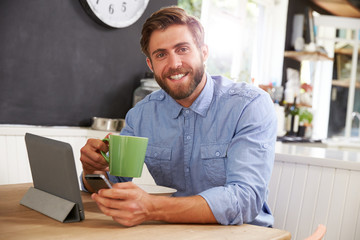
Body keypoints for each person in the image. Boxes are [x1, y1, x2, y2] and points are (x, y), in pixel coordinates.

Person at [80, 6, 277, 227]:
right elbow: (114, 186)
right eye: (161, 54)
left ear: (203, 52)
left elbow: (245, 199)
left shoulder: (249, 105)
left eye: (182, 49)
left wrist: (151, 207)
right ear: (151, 64)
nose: (174, 64)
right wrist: (93, 171)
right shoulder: (141, 115)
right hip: (175, 232)